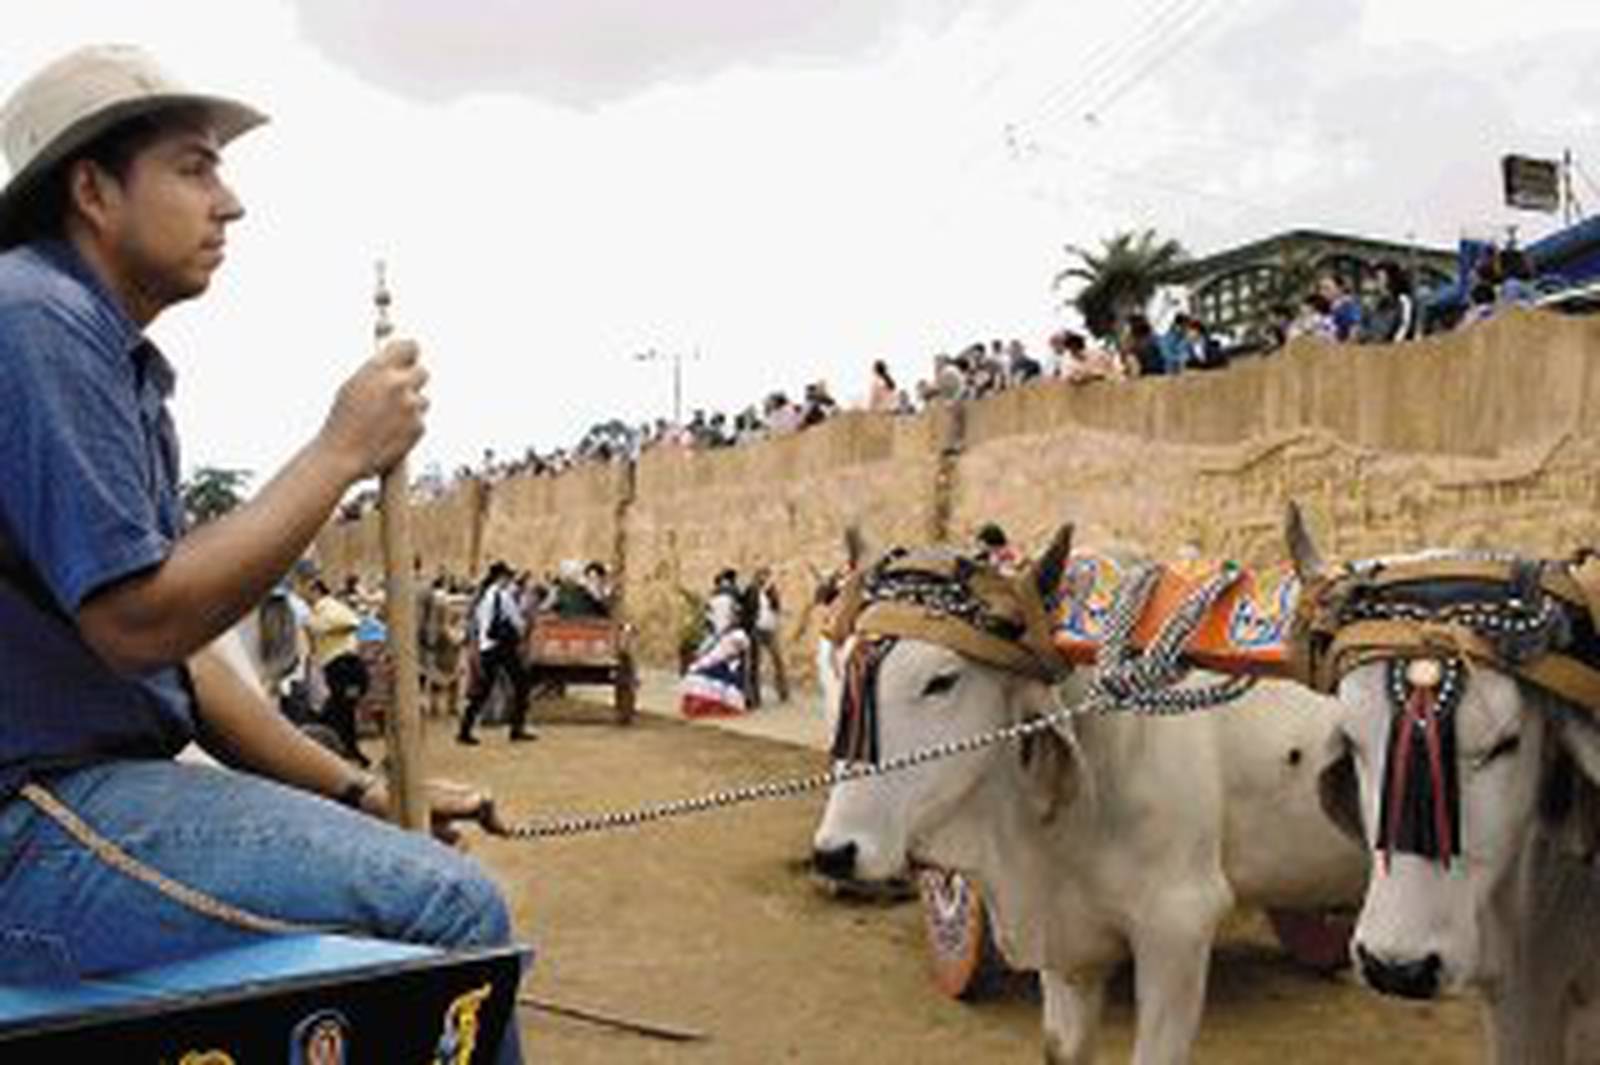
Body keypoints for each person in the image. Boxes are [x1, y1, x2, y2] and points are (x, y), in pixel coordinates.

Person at [0, 46, 522, 1062]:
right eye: (195, 167)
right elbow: (136, 621)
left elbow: (188, 659)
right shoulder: (34, 319)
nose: (229, 203)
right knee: (455, 912)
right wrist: (340, 451)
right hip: (30, 824)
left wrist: (360, 793)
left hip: (81, 799)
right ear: (93, 189)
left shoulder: (107, 354)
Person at [457, 560, 535, 744]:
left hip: (487, 647)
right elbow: (517, 621)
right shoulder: (503, 595)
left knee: (482, 689)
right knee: (521, 684)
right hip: (502, 646)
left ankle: (465, 729)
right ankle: (517, 728)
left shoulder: (483, 595)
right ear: (502, 577)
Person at [305, 576, 371, 766]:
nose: (306, 596)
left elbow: (352, 623)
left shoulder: (327, 607)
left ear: (317, 591)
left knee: (341, 711)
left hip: (344, 667)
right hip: (343, 668)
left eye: (308, 591)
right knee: (341, 711)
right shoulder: (324, 608)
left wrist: (322, 629)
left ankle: (348, 752)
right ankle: (348, 751)